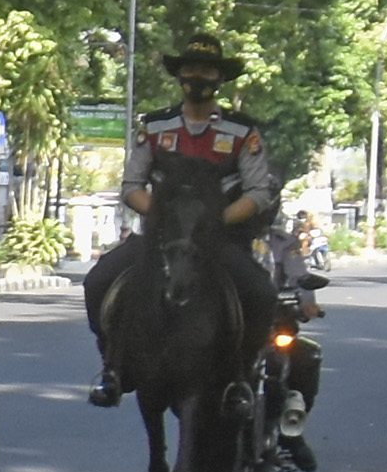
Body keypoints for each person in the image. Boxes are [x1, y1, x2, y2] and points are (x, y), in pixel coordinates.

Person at [83, 34, 278, 406]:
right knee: (97, 282)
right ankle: (113, 367)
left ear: (220, 79)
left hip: (221, 241)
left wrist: (212, 221)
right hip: (160, 239)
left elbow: (257, 193)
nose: (198, 77)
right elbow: (132, 185)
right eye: (191, 69)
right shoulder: (155, 127)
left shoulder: (242, 131)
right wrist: (164, 217)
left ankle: (240, 378)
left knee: (261, 295)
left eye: (207, 70)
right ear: (180, 75)